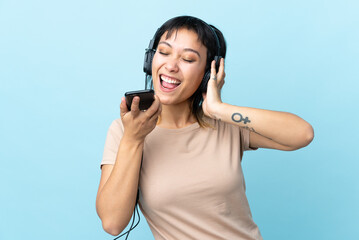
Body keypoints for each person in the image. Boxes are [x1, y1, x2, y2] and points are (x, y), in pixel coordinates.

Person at [96, 16, 314, 240]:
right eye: (163, 52)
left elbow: (303, 134)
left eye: (188, 59)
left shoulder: (226, 124)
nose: (171, 66)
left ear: (208, 73)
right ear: (149, 59)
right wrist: (133, 140)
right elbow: (113, 223)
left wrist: (220, 109)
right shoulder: (126, 130)